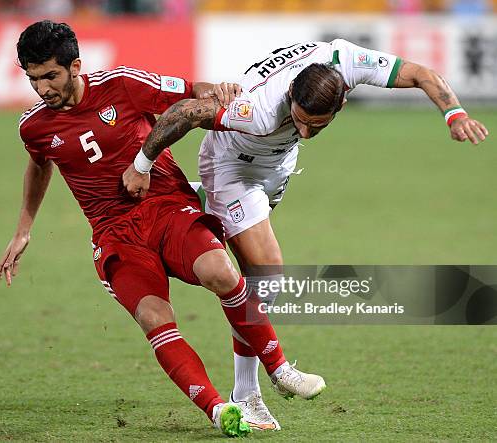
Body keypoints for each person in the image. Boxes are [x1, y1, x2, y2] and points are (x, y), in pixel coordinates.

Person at [122, 39, 489, 430]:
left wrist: (455, 114)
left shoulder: (345, 62)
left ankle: (192, 204)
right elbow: (186, 112)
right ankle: (250, 391)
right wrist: (142, 164)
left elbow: (420, 73)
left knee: (257, 283)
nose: (305, 131)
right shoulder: (260, 112)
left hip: (275, 169)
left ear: (343, 102)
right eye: (298, 119)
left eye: (316, 124)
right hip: (232, 167)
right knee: (267, 273)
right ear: (292, 94)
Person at [0, 20, 324, 437]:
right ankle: (218, 409)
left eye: (51, 76)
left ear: (75, 66)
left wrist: (220, 90)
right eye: (33, 79)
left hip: (167, 208)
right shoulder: (34, 126)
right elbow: (39, 163)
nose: (43, 89)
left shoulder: (122, 85)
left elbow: (193, 91)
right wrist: (24, 228)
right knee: (155, 317)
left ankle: (280, 371)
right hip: (115, 235)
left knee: (222, 273)